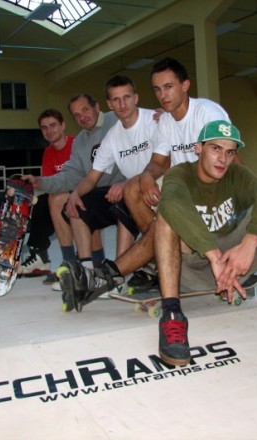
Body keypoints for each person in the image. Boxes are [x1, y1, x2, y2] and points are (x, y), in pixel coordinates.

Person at [63, 57, 234, 308]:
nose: (163, 95)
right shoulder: (164, 121)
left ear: (185, 85)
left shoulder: (205, 113)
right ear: (110, 104)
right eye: (158, 89)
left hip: (208, 193)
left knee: (158, 223)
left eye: (169, 87)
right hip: (180, 187)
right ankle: (153, 260)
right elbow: (158, 162)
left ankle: (105, 277)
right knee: (134, 189)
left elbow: (231, 160)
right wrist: (144, 177)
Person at [155, 120, 257, 366]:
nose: (223, 158)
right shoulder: (179, 175)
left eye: (230, 151)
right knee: (165, 216)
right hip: (191, 268)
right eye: (215, 148)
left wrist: (250, 243)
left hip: (235, 267)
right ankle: (171, 314)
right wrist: (213, 255)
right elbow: (171, 203)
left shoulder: (236, 174)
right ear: (198, 148)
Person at [57, 74, 158, 311]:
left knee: (125, 199)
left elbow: (163, 162)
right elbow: (93, 177)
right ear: (110, 105)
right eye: (116, 100)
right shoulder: (113, 137)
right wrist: (74, 195)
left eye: (126, 98)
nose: (122, 104)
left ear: (136, 98)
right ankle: (88, 272)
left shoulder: (154, 121)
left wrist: (128, 183)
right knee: (79, 207)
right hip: (130, 192)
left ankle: (117, 274)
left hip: (156, 188)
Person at [22, 93, 125, 296]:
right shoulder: (80, 142)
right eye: (76, 115)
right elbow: (69, 175)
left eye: (85, 110)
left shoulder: (116, 119)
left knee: (80, 198)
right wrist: (40, 182)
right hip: (99, 192)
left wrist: (159, 115)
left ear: (96, 107)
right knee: (75, 201)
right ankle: (80, 270)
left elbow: (138, 117)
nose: (82, 117)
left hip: (128, 185)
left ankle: (116, 273)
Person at [20, 109, 74, 282]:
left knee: (52, 201)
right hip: (60, 197)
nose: (49, 131)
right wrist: (35, 183)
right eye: (44, 128)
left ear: (63, 125)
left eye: (53, 125)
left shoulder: (77, 143)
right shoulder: (48, 153)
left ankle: (75, 261)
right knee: (39, 202)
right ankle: (39, 255)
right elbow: (50, 184)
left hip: (82, 194)